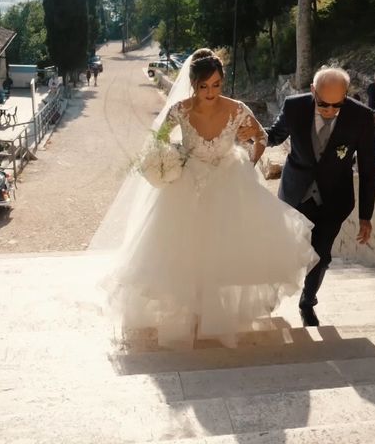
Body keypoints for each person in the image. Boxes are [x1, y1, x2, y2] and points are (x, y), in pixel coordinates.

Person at [94, 49, 318, 348]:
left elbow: (261, 137)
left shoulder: (236, 109)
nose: (210, 92)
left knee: (222, 252)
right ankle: (190, 313)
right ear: (194, 84)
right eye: (204, 86)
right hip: (186, 185)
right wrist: (167, 158)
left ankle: (215, 313)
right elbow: (156, 142)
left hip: (228, 184)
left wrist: (249, 159)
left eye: (216, 85)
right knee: (184, 251)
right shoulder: (180, 110)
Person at [241, 67, 375, 327]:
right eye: (323, 104)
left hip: (334, 200)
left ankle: (307, 302)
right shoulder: (295, 107)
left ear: (346, 95)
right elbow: (275, 135)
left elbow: (369, 171)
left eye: (336, 105)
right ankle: (269, 298)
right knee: (283, 249)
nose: (328, 111)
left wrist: (366, 216)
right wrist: (253, 136)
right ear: (313, 91)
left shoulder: (361, 117)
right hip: (294, 194)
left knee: (322, 256)